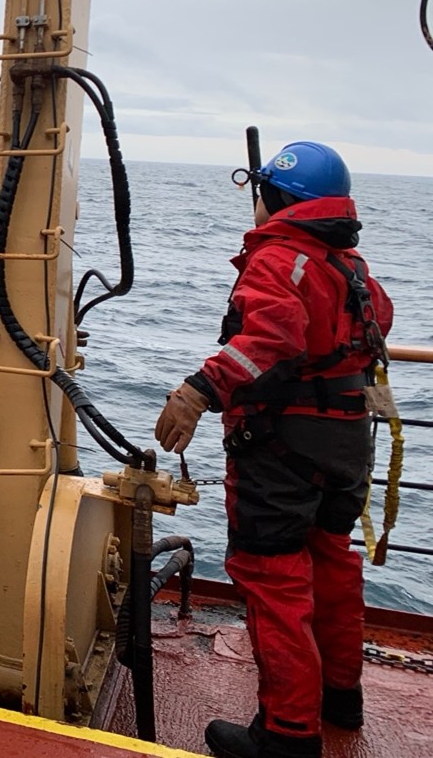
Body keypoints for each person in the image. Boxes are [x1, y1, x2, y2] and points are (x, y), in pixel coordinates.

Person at [155, 141, 393, 758]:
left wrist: (197, 391)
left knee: (275, 583)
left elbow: (272, 334)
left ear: (280, 197)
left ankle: (287, 735)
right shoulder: (352, 268)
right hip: (346, 446)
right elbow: (375, 325)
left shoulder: (279, 259)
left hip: (283, 449)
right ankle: (342, 697)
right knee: (334, 568)